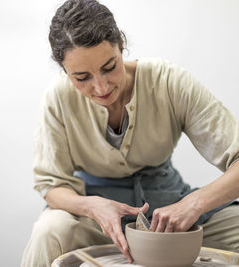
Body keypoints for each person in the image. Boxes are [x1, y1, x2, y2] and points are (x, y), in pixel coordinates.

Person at [21, 0, 239, 266]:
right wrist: (93, 206)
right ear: (65, 71)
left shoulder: (168, 81)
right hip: (95, 220)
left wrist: (193, 204)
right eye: (82, 77)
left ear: (121, 45)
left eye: (110, 67)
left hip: (169, 208)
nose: (101, 88)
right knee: (50, 231)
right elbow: (52, 185)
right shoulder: (58, 98)